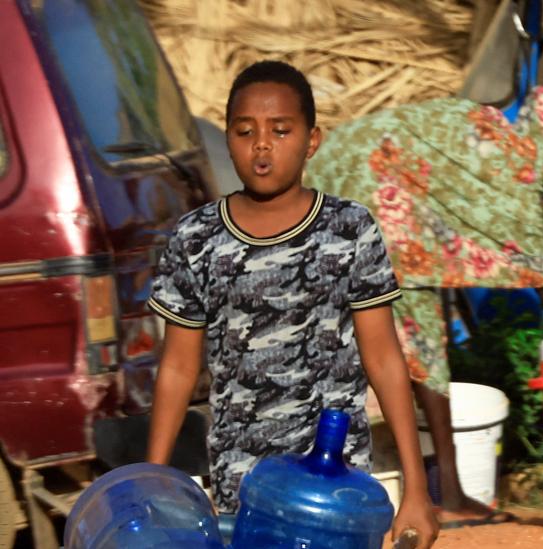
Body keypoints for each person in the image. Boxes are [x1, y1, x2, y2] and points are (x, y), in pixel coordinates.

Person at [145, 60, 438, 547]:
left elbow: (384, 357)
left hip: (334, 485)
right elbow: (178, 367)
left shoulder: (349, 229)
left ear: (312, 140)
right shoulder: (196, 238)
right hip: (243, 485)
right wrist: (151, 479)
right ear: (228, 139)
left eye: (280, 131)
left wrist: (415, 487)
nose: (262, 145)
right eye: (245, 131)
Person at [304, 87, 543, 527]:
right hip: (371, 188)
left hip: (343, 176)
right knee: (418, 338)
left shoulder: (489, 128)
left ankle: (446, 488)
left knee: (417, 338)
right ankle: (439, 491)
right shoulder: (511, 159)